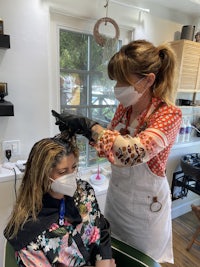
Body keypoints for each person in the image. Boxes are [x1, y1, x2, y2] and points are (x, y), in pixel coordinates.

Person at [52, 39, 182, 263]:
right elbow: (111, 145)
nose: (117, 87)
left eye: (123, 80)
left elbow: (132, 152)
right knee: (111, 254)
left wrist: (91, 127)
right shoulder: (125, 108)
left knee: (139, 261)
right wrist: (84, 130)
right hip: (117, 200)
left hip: (146, 209)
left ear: (148, 80)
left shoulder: (168, 114)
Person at [4, 133, 116, 267]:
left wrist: (103, 259)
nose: (72, 177)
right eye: (63, 172)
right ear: (42, 175)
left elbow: (101, 227)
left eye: (74, 168)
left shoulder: (83, 192)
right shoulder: (27, 231)